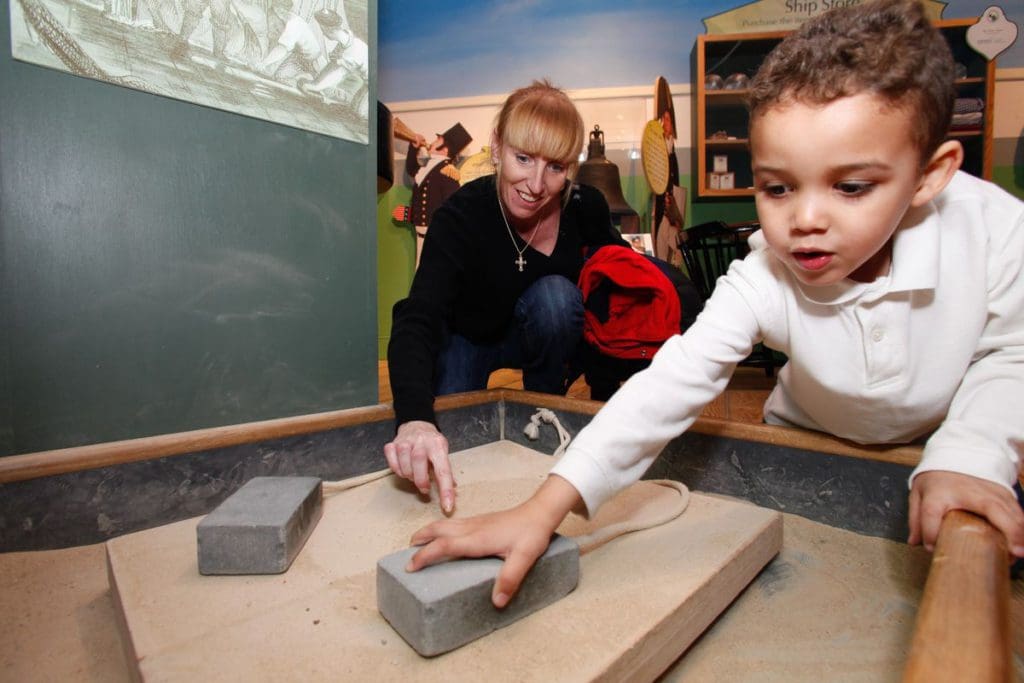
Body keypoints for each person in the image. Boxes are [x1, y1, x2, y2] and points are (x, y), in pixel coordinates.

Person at [403, 0, 1024, 608]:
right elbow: (673, 381)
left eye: (851, 186)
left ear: (929, 175)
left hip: (939, 443)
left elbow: (1012, 354)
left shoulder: (996, 231)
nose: (806, 220)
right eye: (777, 187)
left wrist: (970, 453)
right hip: (795, 440)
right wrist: (541, 507)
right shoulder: (765, 273)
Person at [384, 80, 628, 514]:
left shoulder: (583, 207)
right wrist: (415, 418)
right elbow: (417, 316)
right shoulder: (460, 216)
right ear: (497, 147)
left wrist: (608, 400)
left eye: (555, 167)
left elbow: (623, 286)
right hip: (466, 339)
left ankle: (542, 417)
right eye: (522, 158)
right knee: (452, 444)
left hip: (541, 337)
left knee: (556, 298)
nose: (535, 184)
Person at [405, 123, 473, 267]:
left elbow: (452, 210)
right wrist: (414, 147)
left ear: (444, 149)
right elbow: (412, 169)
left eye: (438, 140)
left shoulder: (447, 172)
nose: (433, 142)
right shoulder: (428, 166)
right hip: (422, 235)